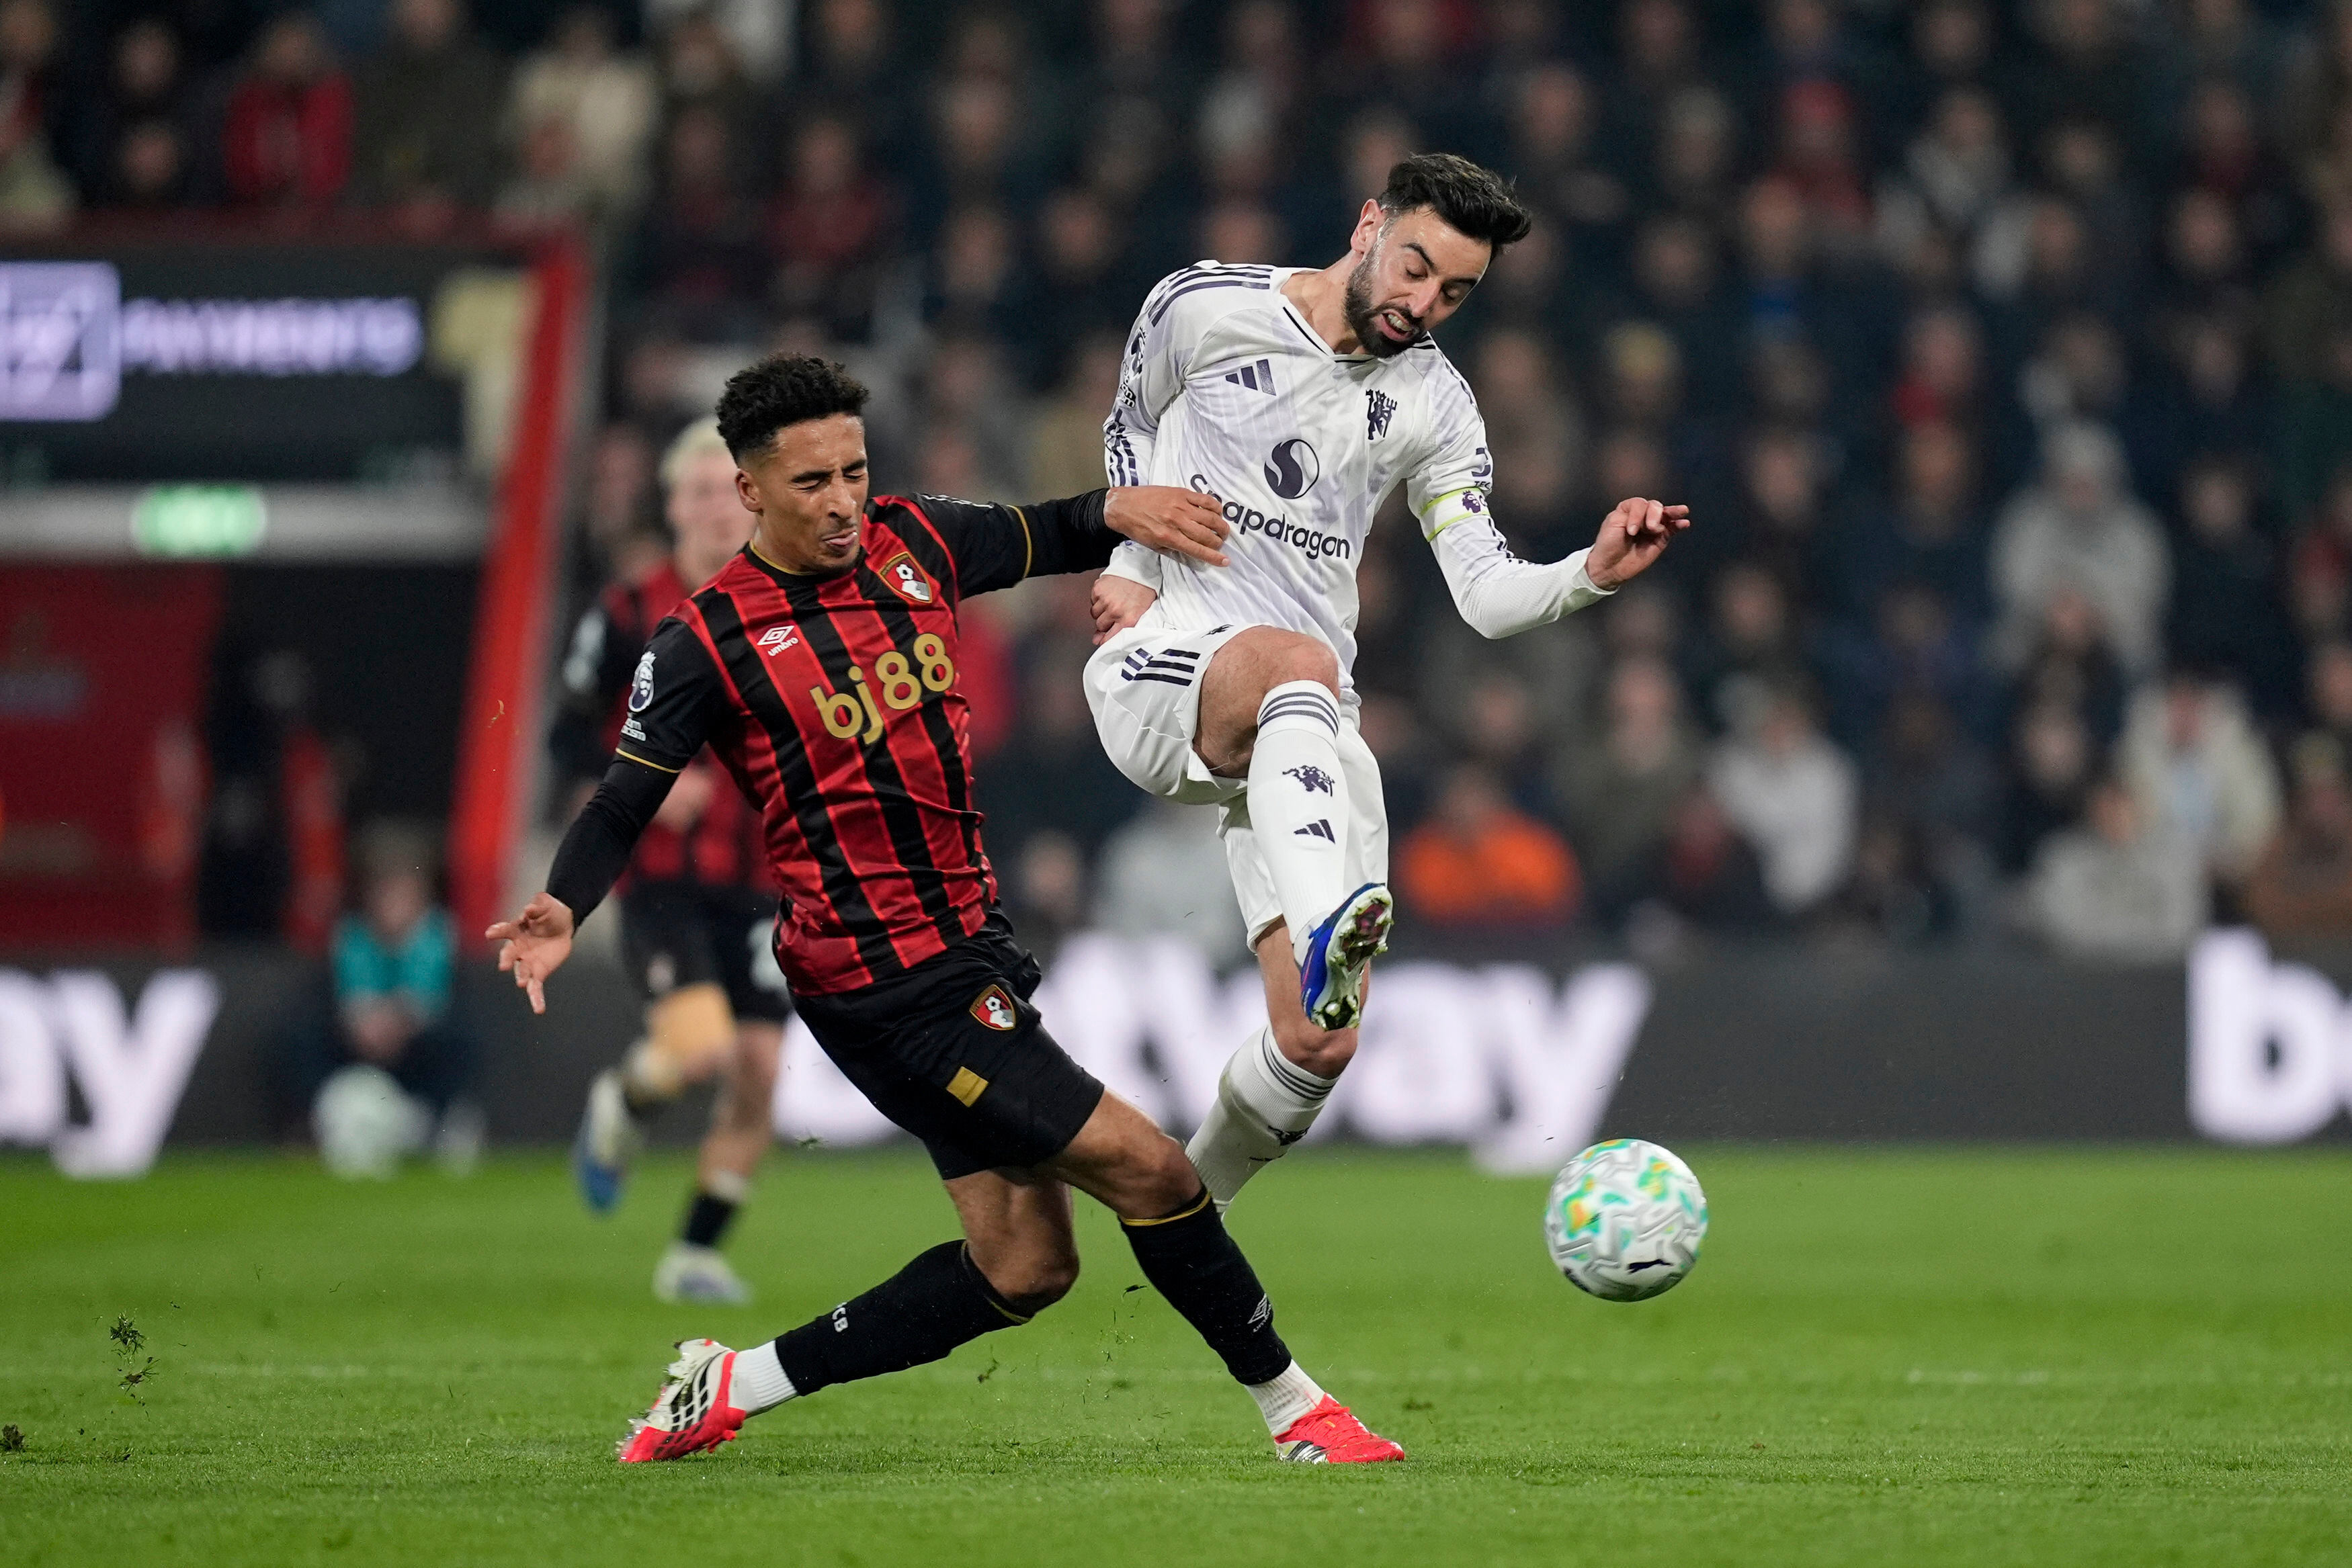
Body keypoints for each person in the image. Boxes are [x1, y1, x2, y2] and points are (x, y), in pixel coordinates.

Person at [489, 355, 1403, 1466]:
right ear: (750, 490)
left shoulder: (915, 541)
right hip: (883, 982)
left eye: (854, 471)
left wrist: (1133, 518)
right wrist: (562, 903)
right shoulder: (705, 641)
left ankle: (731, 1382)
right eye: (813, 481)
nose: (842, 501)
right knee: (1154, 1170)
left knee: (1026, 1267)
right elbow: (622, 799)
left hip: (968, 948)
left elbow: (1051, 529)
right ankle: (1299, 1414)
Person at [1087, 154, 1689, 1207]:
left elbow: (1484, 592)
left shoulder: (1437, 404)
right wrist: (1131, 559)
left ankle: (1179, 1220)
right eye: (1415, 267)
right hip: (1164, 664)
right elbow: (1132, 419)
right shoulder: (1203, 305)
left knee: (1316, 1046)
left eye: (1456, 291)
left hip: (1302, 732)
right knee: (1299, 663)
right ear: (1368, 225)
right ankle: (1329, 917)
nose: (1425, 303)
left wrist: (1587, 574)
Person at [550, 417, 789, 1305]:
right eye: (698, 491)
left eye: (731, 490)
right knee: (701, 1052)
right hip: (661, 880)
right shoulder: (626, 610)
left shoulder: (788, 604)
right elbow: (564, 734)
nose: (717, 508)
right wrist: (645, 773)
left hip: (763, 879)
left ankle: (694, 1253)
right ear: (673, 506)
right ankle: (624, 1100)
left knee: (759, 1069)